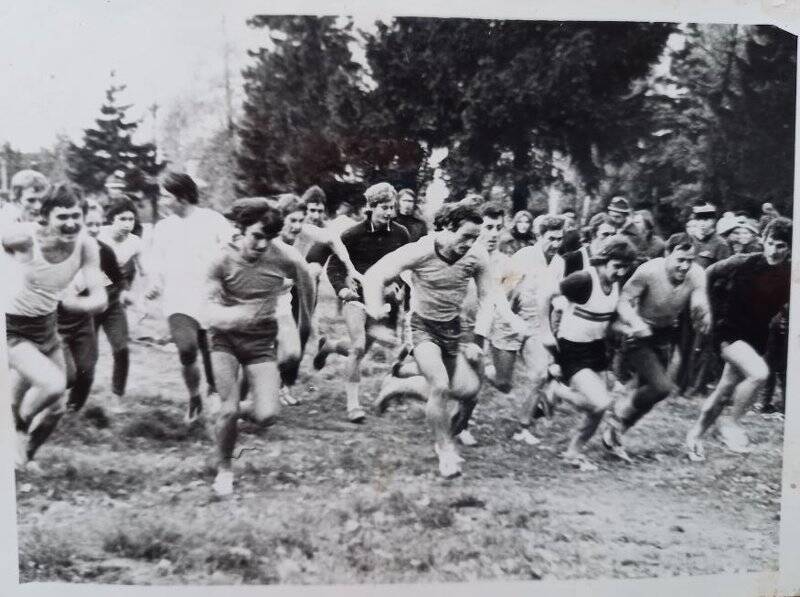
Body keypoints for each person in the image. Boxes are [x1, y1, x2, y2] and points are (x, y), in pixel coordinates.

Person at [363, 203, 526, 478]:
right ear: (447, 228)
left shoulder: (476, 255)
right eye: (465, 237)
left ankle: (400, 384)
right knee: (440, 385)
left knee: (470, 392)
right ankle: (446, 451)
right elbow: (374, 275)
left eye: (475, 238)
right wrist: (375, 308)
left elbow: (488, 298)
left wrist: (478, 340)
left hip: (453, 329)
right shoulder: (421, 250)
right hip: (421, 327)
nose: (470, 244)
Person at [3, 182, 107, 470]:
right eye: (62, 217)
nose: (71, 223)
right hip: (12, 327)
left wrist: (77, 303)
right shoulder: (24, 239)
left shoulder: (87, 245)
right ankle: (15, 431)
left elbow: (99, 295)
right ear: (45, 217)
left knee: (56, 407)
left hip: (47, 328)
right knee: (52, 384)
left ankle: (25, 459)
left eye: (76, 216)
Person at [685, 217, 792, 460]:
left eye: (781, 246)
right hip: (728, 332)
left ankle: (695, 435)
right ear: (763, 241)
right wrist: (705, 307)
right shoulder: (742, 263)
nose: (774, 251)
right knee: (759, 374)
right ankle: (730, 425)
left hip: (756, 338)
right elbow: (706, 274)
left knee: (724, 389)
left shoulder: (790, 273)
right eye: (771, 243)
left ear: (789, 248)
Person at [602, 234, 710, 460]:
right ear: (666, 255)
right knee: (661, 387)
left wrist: (702, 311)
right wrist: (635, 323)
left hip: (664, 335)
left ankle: (615, 434)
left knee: (650, 395)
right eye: (680, 259)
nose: (685, 266)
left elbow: (700, 297)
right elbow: (623, 299)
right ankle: (617, 410)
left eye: (690, 260)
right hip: (638, 334)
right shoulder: (649, 271)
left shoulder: (697, 273)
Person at [312, 183, 411, 422]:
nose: (389, 213)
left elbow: (406, 265)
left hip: (384, 302)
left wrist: (398, 285)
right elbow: (334, 267)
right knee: (358, 347)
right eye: (384, 208)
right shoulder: (353, 234)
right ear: (371, 207)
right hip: (356, 298)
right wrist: (343, 289)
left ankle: (330, 346)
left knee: (360, 349)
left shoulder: (401, 234)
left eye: (392, 208)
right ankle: (353, 404)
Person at [145, 172, 233, 422]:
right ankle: (194, 396)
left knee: (211, 351)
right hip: (178, 301)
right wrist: (154, 284)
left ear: (182, 197)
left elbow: (229, 252)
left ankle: (214, 391)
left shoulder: (213, 221)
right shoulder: (163, 228)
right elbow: (155, 262)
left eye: (165, 196)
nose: (161, 201)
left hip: (209, 299)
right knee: (187, 349)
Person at [549, 235, 637, 471]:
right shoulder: (583, 279)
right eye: (617, 266)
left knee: (597, 409)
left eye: (625, 268)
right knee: (600, 403)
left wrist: (627, 328)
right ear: (603, 260)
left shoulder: (615, 283)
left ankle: (573, 453)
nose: (620, 272)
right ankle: (556, 390)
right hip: (571, 349)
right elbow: (545, 296)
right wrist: (545, 332)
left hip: (597, 349)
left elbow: (606, 320)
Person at [486, 214, 565, 446]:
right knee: (503, 384)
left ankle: (523, 426)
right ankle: (490, 371)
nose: (556, 243)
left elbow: (554, 299)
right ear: (539, 236)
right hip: (509, 320)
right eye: (551, 238)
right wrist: (506, 322)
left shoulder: (559, 263)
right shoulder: (523, 257)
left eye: (560, 238)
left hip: (535, 324)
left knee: (541, 374)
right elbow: (503, 292)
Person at [57, 201, 126, 412]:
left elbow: (115, 279)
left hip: (89, 311)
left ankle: (73, 409)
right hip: (58, 317)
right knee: (67, 375)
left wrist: (94, 283)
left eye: (99, 224)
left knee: (87, 369)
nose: (95, 229)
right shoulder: (60, 249)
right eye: (90, 224)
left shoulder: (103, 251)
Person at [95, 196, 145, 401]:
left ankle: (117, 395)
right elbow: (94, 272)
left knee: (121, 347)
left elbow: (146, 270)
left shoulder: (135, 241)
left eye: (131, 220)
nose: (127, 225)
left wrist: (143, 297)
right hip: (91, 296)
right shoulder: (99, 236)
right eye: (122, 219)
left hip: (114, 298)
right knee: (87, 353)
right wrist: (118, 287)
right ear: (111, 219)